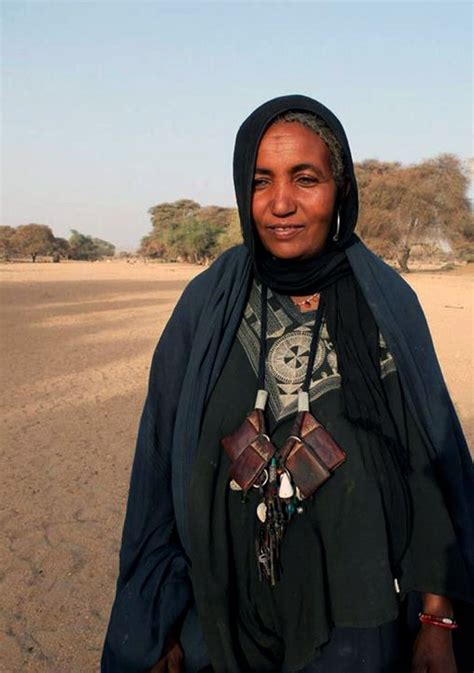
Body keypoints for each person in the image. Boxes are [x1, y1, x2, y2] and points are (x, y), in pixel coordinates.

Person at [101, 95, 474, 673]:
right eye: (260, 181)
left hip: (356, 620)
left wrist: (437, 621)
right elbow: (157, 472)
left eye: (306, 179)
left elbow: (428, 472)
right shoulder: (207, 305)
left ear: (340, 190)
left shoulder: (385, 304)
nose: (281, 204)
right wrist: (159, 627)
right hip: (219, 619)